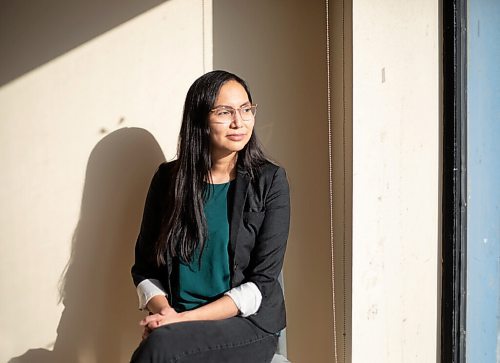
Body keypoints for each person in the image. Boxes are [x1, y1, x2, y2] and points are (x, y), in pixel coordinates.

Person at [130, 70, 290, 363]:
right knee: (163, 345)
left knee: (159, 348)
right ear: (200, 119)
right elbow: (144, 269)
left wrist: (179, 322)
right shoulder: (168, 180)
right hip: (176, 318)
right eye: (225, 112)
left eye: (245, 109)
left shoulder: (269, 180)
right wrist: (166, 313)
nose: (238, 122)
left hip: (247, 323)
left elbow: (261, 284)